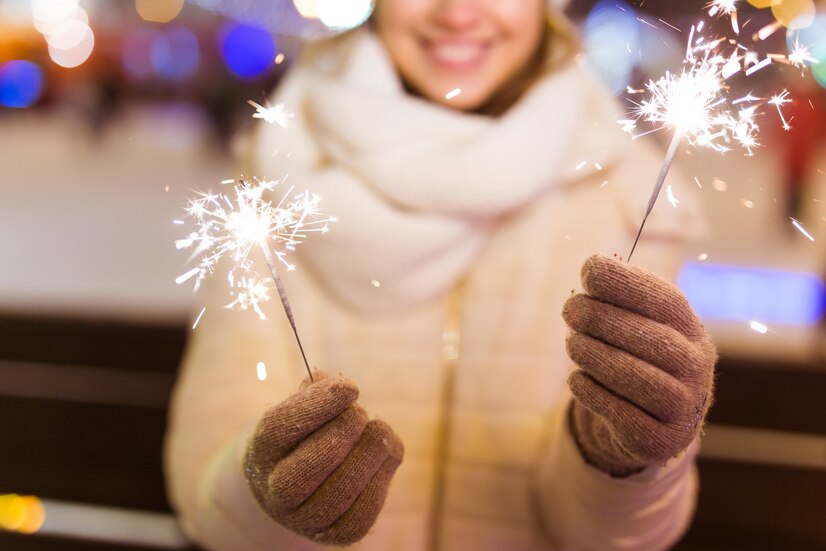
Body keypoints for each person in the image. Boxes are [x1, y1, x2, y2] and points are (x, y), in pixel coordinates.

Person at [164, 1, 716, 549]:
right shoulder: (279, 174)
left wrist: (617, 457)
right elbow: (205, 489)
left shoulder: (627, 191)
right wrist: (272, 495)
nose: (456, 13)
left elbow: (626, 538)